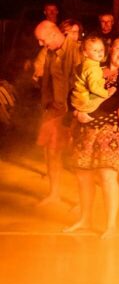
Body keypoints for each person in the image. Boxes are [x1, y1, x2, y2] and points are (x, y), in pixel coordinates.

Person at [63, 38, 119, 239]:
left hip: (111, 130)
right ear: (110, 49)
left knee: (107, 176)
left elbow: (117, 100)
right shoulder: (93, 67)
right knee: (83, 176)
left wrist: (89, 113)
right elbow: (74, 92)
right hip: (85, 130)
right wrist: (76, 112)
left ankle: (111, 225)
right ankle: (85, 219)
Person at [33, 19, 81, 205]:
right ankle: (54, 194)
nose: (40, 43)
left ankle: (80, 201)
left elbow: (79, 84)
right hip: (54, 110)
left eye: (42, 39)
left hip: (70, 112)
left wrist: (73, 117)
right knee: (52, 153)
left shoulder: (75, 51)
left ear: (53, 34)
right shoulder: (51, 52)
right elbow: (49, 82)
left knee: (76, 157)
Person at [70, 36, 119, 137]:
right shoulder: (94, 68)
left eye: (101, 49)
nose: (99, 53)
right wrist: (107, 93)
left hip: (108, 129)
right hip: (85, 112)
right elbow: (91, 88)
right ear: (110, 49)